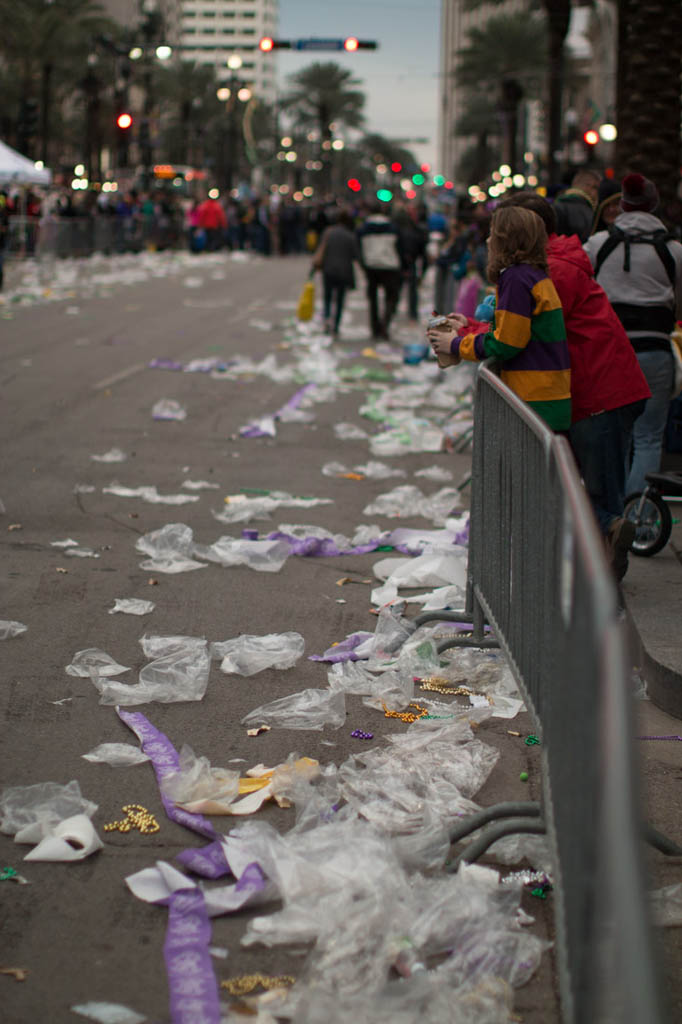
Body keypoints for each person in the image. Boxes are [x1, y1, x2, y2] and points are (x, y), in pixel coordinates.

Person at [499, 191, 651, 581]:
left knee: (600, 497)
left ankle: (603, 594)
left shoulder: (554, 272)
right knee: (592, 489)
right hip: (598, 390)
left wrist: (472, 338)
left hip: (601, 393)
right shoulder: (550, 266)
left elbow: (520, 332)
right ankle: (596, 575)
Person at [427, 205, 571, 432]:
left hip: (534, 401)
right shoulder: (532, 275)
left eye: (493, 234)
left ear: (507, 240)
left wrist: (455, 345)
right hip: (545, 395)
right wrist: (468, 328)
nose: (487, 240)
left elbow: (507, 343)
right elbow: (513, 331)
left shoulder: (516, 279)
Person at [584, 172, 682, 496]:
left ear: (623, 206)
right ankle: (637, 516)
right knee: (649, 437)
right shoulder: (674, 251)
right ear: (654, 206)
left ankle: (612, 516)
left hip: (611, 352)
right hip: (655, 350)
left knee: (614, 437)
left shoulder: (598, 245)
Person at [357, 202, 403, 340]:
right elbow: (400, 247)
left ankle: (374, 327)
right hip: (390, 265)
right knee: (391, 296)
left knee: (373, 298)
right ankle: (385, 323)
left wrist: (363, 263)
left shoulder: (363, 229)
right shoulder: (393, 227)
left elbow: (358, 248)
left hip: (371, 265)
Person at [312, 210, 360, 337]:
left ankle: (327, 319)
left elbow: (320, 249)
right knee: (339, 299)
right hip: (344, 271)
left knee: (327, 297)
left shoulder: (328, 233)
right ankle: (336, 325)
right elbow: (356, 255)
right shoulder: (350, 235)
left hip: (328, 269)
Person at [554, 169, 600, 242]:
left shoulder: (557, 205)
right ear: (590, 186)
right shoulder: (592, 211)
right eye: (596, 188)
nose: (597, 193)